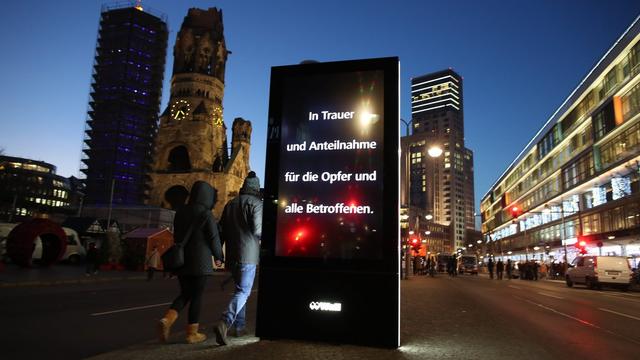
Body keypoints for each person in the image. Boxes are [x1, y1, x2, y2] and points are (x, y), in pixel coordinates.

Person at [157, 181, 224, 344]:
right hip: (200, 261)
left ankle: (167, 319)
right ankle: (192, 333)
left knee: (185, 293)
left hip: (182, 260)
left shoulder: (180, 212)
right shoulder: (206, 213)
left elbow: (178, 235)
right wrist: (219, 256)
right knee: (197, 296)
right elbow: (213, 237)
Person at [214, 171, 263, 345]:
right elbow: (258, 230)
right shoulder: (256, 203)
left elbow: (220, 230)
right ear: (256, 188)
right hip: (248, 255)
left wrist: (219, 254)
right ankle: (225, 322)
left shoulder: (230, 204)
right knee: (244, 291)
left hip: (232, 255)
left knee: (239, 290)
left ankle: (240, 327)